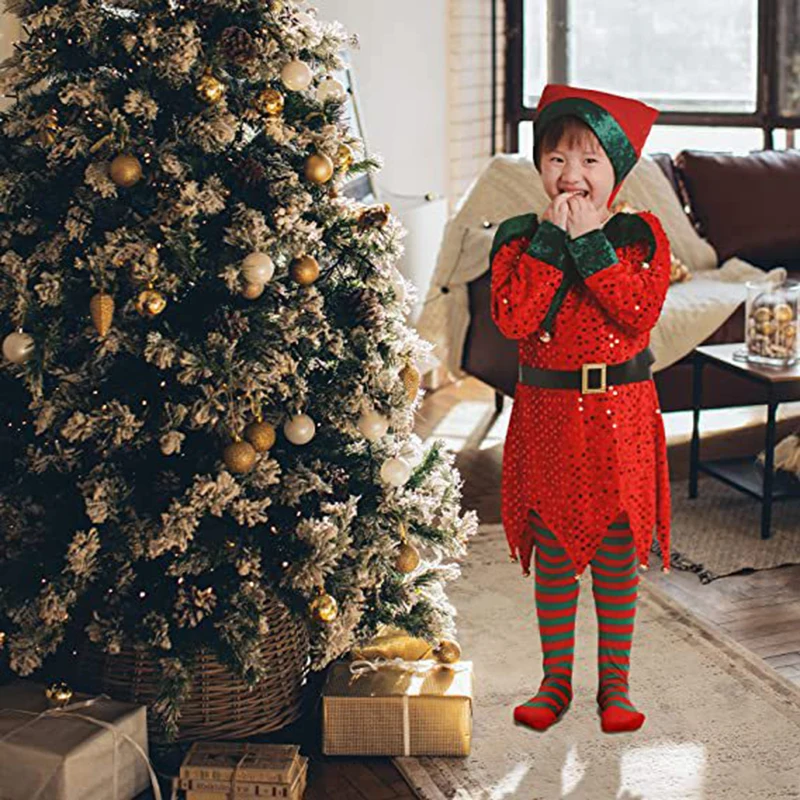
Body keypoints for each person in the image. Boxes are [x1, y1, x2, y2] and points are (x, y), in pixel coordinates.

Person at [489, 84, 672, 734]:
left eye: (590, 161)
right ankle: (556, 682)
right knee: (557, 553)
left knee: (619, 551)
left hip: (620, 418)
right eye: (557, 160)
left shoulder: (639, 237)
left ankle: (614, 687)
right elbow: (515, 319)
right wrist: (548, 244)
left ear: (616, 173)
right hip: (548, 420)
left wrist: (591, 241)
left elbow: (637, 311)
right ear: (539, 167)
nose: (572, 176)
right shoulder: (518, 240)